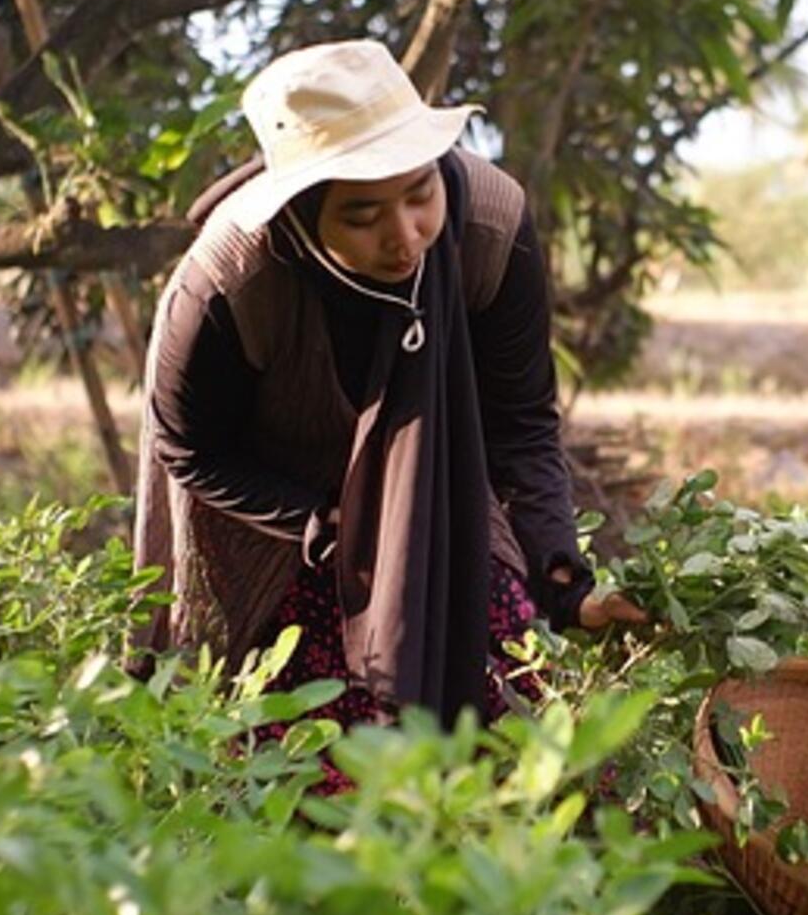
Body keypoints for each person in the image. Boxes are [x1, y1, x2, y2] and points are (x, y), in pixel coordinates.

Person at [132, 39, 644, 749]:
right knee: (304, 759)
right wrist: (326, 523)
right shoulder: (230, 282)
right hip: (277, 515)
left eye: (419, 194)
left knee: (508, 741)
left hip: (434, 487)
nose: (405, 238)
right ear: (307, 215)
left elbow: (520, 424)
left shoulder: (489, 226)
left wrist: (568, 584)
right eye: (363, 216)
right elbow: (189, 449)